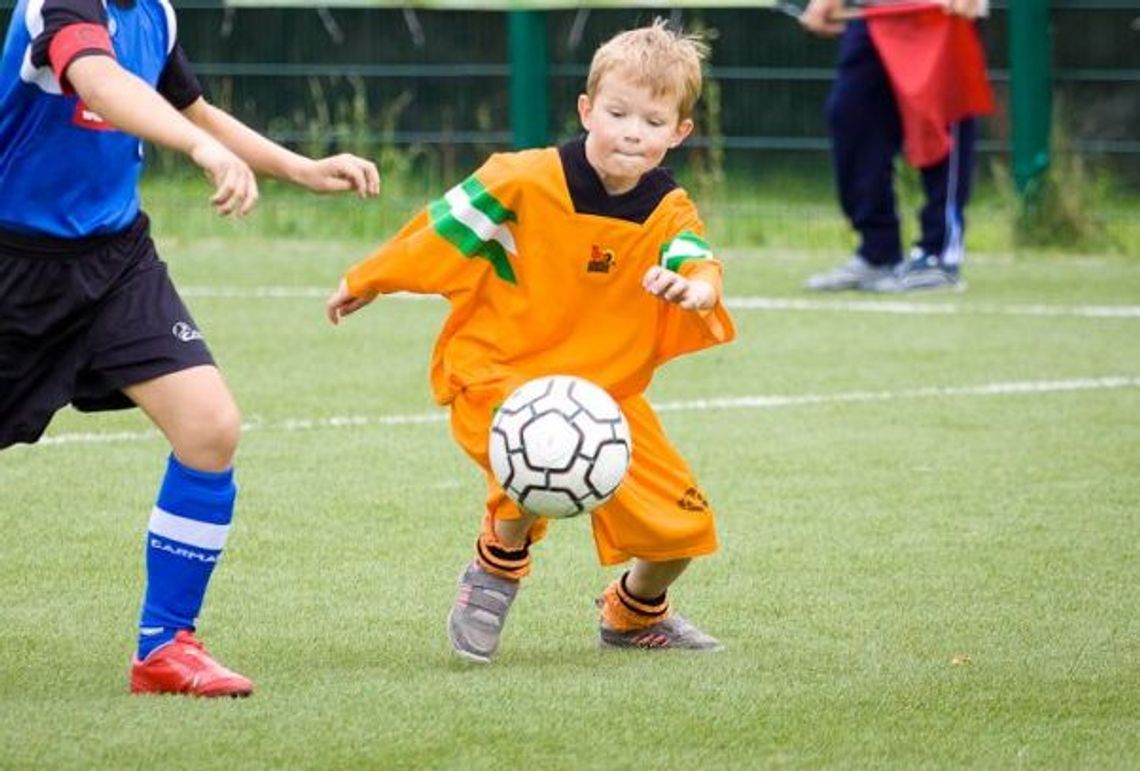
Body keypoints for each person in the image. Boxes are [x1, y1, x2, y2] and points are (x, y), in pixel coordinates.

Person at [0, 0, 379, 697]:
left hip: (116, 261)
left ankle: (164, 645)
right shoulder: (59, 6)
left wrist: (298, 168)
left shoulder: (156, 13)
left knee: (209, 426)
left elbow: (195, 109)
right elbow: (99, 81)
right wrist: (202, 151)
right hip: (14, 265)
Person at [326, 20, 735, 663]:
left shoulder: (667, 207)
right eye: (618, 112)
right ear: (586, 109)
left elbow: (695, 258)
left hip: (607, 396)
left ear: (680, 132)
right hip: (500, 366)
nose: (632, 131)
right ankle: (499, 563)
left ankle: (633, 612)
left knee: (680, 534)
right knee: (532, 450)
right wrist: (370, 279)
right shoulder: (521, 179)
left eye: (653, 122)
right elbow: (438, 228)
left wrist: (700, 289)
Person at [801, 0, 990, 292]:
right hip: (876, 10)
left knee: (940, 120)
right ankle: (878, 252)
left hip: (940, 11)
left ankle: (938, 256)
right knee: (851, 116)